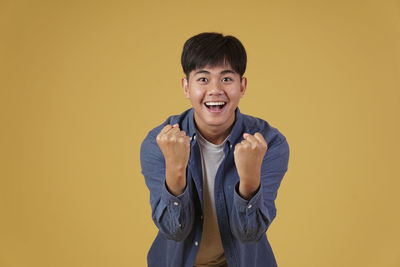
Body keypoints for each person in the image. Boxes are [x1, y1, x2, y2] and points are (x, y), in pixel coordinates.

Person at [140, 32, 290, 267]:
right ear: (186, 87)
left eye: (227, 79)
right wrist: (176, 169)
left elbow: (250, 234)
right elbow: (173, 230)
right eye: (203, 79)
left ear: (242, 86)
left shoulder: (269, 143)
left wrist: (250, 181)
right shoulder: (159, 143)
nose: (215, 90)